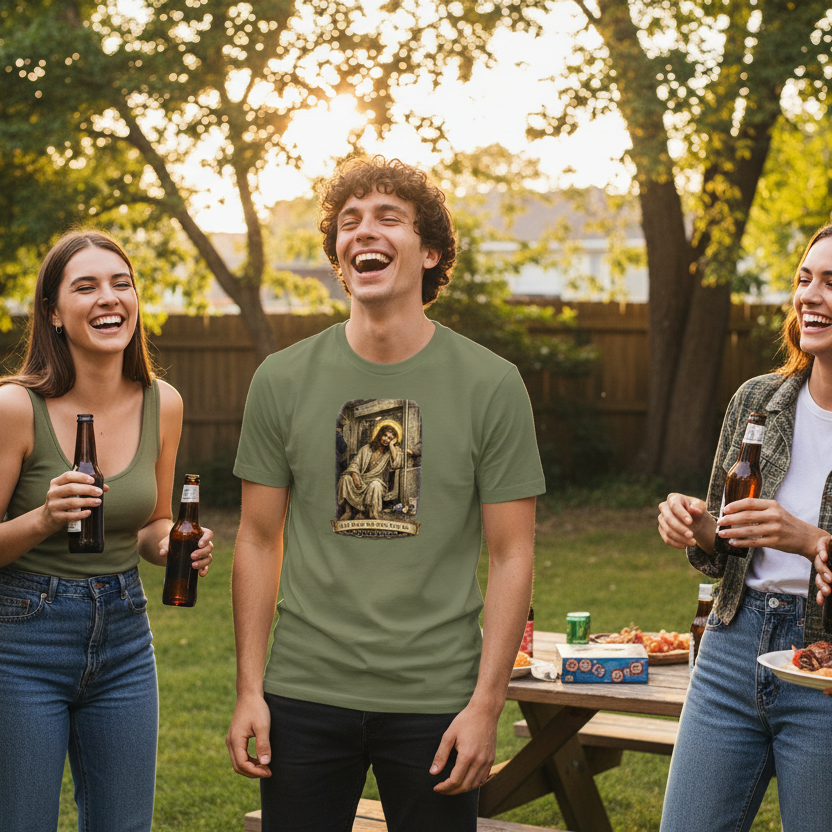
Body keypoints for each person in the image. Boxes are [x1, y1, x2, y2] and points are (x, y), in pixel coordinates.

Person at [226, 156, 545, 831]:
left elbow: (513, 554)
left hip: (437, 698)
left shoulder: (491, 384)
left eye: (387, 218)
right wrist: (249, 689)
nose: (363, 232)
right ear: (340, 259)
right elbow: (256, 539)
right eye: (350, 222)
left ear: (429, 251)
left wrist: (486, 704)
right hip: (304, 691)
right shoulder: (280, 381)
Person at [0, 230, 214, 832]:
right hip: (21, 641)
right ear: (53, 313)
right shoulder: (16, 408)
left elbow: (151, 523)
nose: (109, 298)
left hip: (123, 635)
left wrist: (178, 541)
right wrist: (46, 517)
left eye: (122, 284)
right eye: (86, 286)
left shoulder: (161, 402)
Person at [657, 224, 832, 831]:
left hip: (826, 667)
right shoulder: (760, 400)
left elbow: (806, 541)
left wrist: (809, 540)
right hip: (732, 649)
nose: (812, 295)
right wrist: (698, 524)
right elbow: (722, 547)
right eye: (805, 280)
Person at [337, 424, 403, 520]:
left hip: (378, 482)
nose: (386, 440)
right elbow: (355, 463)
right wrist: (355, 476)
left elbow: (396, 464)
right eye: (385, 436)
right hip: (362, 479)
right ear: (380, 434)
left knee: (374, 485)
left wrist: (392, 446)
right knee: (345, 478)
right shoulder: (367, 448)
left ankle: (366, 513)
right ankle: (348, 511)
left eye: (390, 438)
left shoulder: (391, 452)